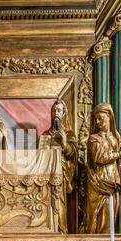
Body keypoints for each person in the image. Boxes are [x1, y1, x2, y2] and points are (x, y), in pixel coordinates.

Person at [86, 103, 121, 234]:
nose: (98, 122)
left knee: (111, 213)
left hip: (113, 180)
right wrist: (120, 153)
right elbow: (100, 158)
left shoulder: (116, 138)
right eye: (96, 119)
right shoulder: (94, 138)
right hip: (99, 180)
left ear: (109, 117)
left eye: (101, 118)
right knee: (98, 213)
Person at [39, 99, 77, 233]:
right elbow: (41, 156)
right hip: (47, 173)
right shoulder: (45, 134)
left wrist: (65, 143)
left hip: (62, 173)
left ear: (64, 114)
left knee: (59, 203)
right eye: (54, 110)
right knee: (47, 203)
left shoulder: (69, 134)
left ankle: (61, 230)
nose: (56, 113)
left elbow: (73, 155)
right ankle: (49, 230)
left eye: (59, 111)